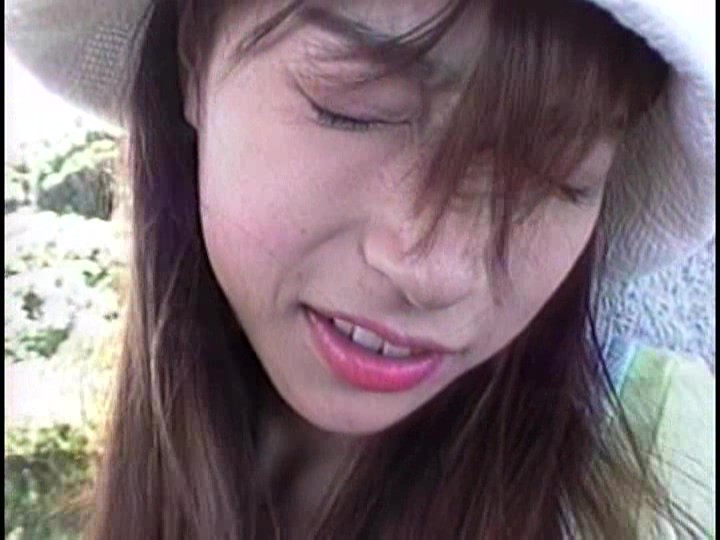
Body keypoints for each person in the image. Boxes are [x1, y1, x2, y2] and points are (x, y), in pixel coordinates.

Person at [7, 0, 715, 538]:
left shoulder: (668, 459)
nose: (435, 270)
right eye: (355, 107)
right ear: (194, 56)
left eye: (559, 173)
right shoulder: (158, 467)